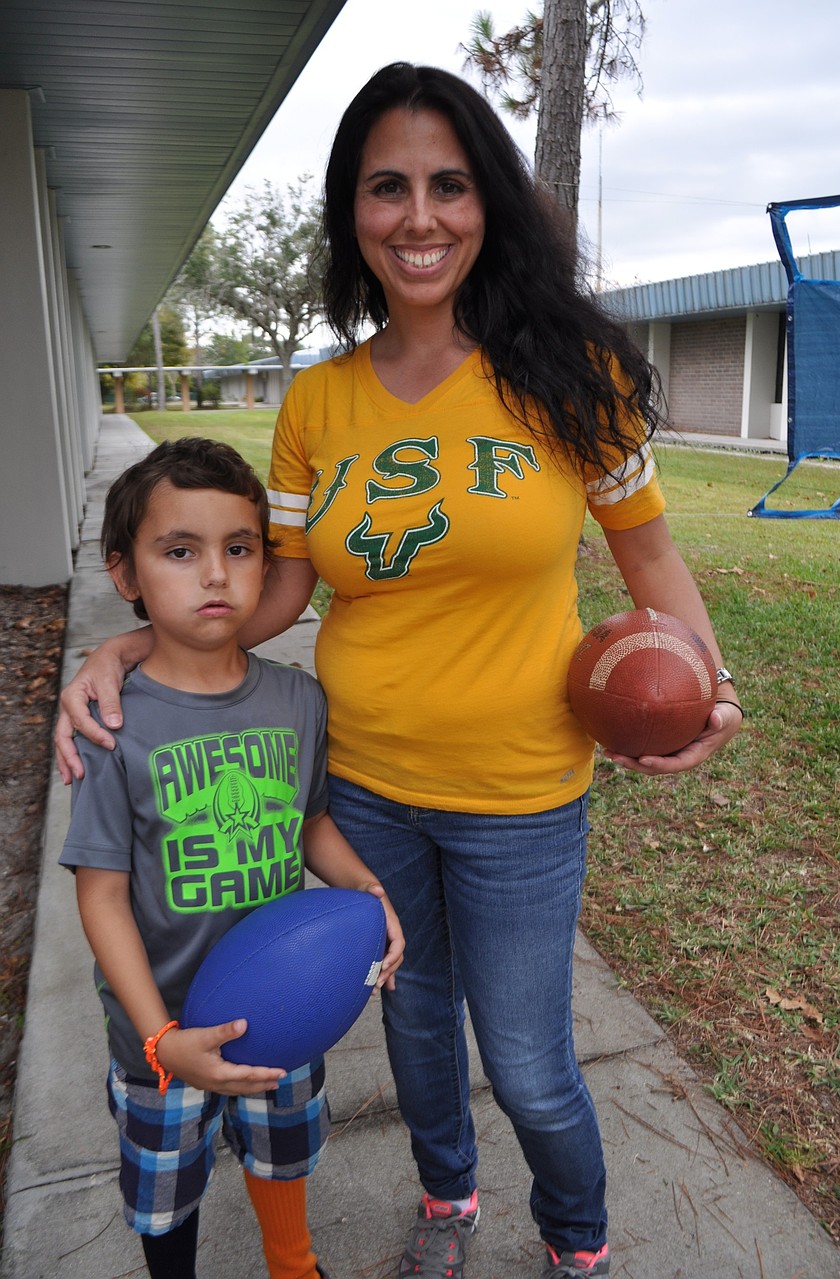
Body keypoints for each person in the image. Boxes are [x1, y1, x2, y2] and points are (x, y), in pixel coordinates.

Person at [56, 64, 744, 1279]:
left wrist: (708, 680)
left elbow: (650, 555)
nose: (418, 216)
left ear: (490, 206)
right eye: (388, 188)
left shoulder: (573, 374)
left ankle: (576, 1237)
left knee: (529, 1059)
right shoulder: (319, 400)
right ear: (352, 211)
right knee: (416, 1025)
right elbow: (279, 586)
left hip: (524, 792)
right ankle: (448, 1199)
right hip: (364, 787)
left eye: (449, 185)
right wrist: (133, 643)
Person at [58, 437, 403, 1279]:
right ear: (126, 574)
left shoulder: (297, 698)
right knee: (165, 1183)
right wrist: (159, 1037)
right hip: (164, 1021)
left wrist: (366, 890)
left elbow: (311, 821)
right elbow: (102, 898)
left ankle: (293, 1262)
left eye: (238, 549)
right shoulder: (113, 723)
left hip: (283, 1001)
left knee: (281, 1151)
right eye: (181, 551)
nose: (215, 574)